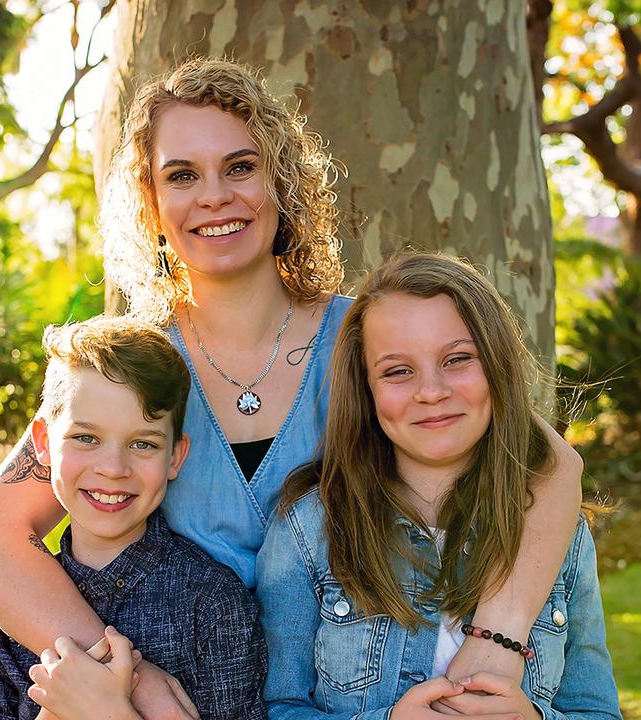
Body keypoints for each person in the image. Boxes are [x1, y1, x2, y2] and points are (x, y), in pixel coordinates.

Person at [0, 57, 584, 717]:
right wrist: (131, 677)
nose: (214, 196)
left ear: (281, 178)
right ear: (151, 200)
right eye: (181, 175)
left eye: (240, 167)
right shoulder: (133, 366)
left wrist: (496, 641)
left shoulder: (366, 341)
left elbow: (549, 465)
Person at [257, 252, 620, 719]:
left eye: (457, 359)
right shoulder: (310, 528)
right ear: (365, 389)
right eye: (397, 371)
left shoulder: (559, 536)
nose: (431, 390)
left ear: (496, 367)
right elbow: (277, 707)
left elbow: (597, 711)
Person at [0, 317, 266, 720]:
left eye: (142, 443)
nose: (113, 468)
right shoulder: (6, 614)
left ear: (175, 457)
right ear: (43, 443)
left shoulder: (214, 607)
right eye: (86, 438)